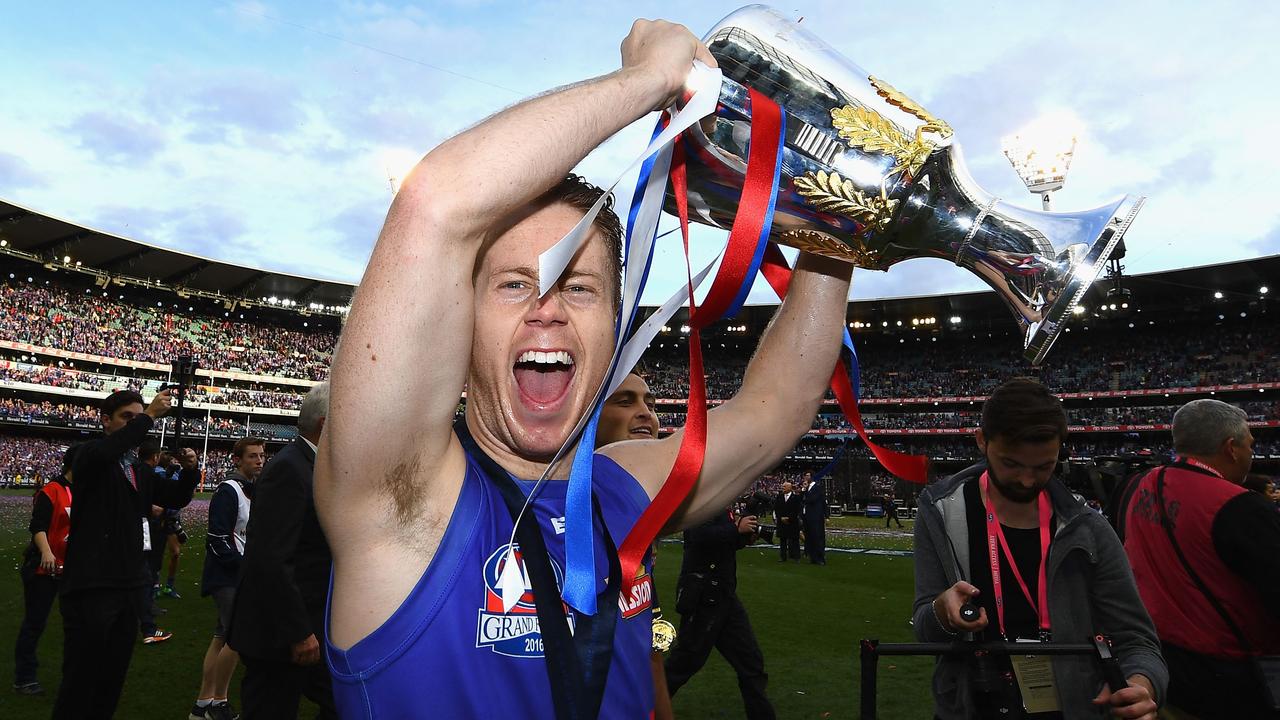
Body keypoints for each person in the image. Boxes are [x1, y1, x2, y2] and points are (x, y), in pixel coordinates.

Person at [317, 18, 856, 719]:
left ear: (615, 325)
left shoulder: (624, 486)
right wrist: (649, 82)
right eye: (514, 284)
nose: (548, 309)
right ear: (462, 322)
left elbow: (777, 406)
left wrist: (839, 224)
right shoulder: (401, 498)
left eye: (580, 288)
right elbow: (435, 202)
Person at [913, 378, 1165, 720]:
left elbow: (1138, 641)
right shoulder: (941, 514)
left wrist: (1142, 684)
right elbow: (925, 631)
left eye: (1044, 467)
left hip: (1073, 709)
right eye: (1012, 464)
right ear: (982, 441)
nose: (1028, 480)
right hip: (973, 706)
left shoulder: (1089, 529)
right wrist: (943, 612)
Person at [1119, 399, 1280, 718]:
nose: (1252, 453)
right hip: (1233, 678)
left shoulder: (1137, 484)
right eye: (1250, 444)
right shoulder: (1242, 508)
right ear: (1231, 448)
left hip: (1160, 664)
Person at [52, 389, 201, 720]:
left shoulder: (137, 469)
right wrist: (148, 416)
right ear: (106, 421)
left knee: (111, 680)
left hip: (128, 585)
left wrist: (190, 471)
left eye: (138, 417)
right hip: (91, 586)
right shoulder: (88, 455)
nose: (135, 424)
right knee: (80, 682)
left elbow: (174, 498)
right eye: (126, 418)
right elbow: (107, 452)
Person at [228, 384, 338, 720]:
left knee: (340, 703)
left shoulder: (310, 465)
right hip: (279, 635)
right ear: (324, 423)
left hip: (302, 625)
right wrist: (298, 631)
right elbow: (272, 559)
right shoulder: (291, 469)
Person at [594, 373, 673, 720]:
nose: (646, 413)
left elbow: (647, 647)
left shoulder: (637, 512)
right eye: (625, 402)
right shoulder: (555, 504)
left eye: (651, 404)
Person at [664, 505, 775, 719]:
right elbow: (698, 536)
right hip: (705, 597)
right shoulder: (704, 502)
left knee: (751, 662)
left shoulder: (720, 502)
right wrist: (736, 530)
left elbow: (719, 544)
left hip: (723, 596)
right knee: (684, 663)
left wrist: (743, 538)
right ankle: (644, 707)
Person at [190, 436, 265, 720]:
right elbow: (217, 538)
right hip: (228, 575)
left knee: (222, 636)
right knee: (235, 637)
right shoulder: (229, 490)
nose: (259, 460)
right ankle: (218, 702)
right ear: (237, 460)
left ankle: (203, 703)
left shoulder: (250, 490)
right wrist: (244, 567)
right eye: (252, 456)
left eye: (261, 455)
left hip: (236, 574)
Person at [13, 445, 76, 696]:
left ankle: (73, 675)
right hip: (43, 569)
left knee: (75, 624)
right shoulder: (51, 491)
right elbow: (37, 526)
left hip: (71, 569)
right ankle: (24, 677)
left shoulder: (82, 491)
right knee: (35, 623)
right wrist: (47, 552)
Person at [135, 440, 173, 645]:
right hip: (142, 527)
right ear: (155, 456)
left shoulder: (134, 471)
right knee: (145, 572)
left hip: (134, 527)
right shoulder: (148, 474)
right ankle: (148, 625)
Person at [801, 472, 827, 565]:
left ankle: (820, 558)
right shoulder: (805, 488)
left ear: (812, 477)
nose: (805, 477)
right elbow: (801, 499)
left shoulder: (817, 487)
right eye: (805, 475)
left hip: (815, 516)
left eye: (807, 475)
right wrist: (804, 490)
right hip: (806, 516)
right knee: (809, 537)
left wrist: (805, 490)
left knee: (817, 537)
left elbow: (811, 499)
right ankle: (813, 557)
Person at [772, 481, 802, 562]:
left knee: (794, 540)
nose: (782, 488)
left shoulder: (796, 498)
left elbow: (796, 510)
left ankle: (796, 557)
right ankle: (783, 557)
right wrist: (781, 518)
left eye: (784, 487)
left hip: (792, 522)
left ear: (789, 488)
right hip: (781, 522)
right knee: (783, 541)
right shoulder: (779, 497)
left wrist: (789, 518)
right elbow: (776, 508)